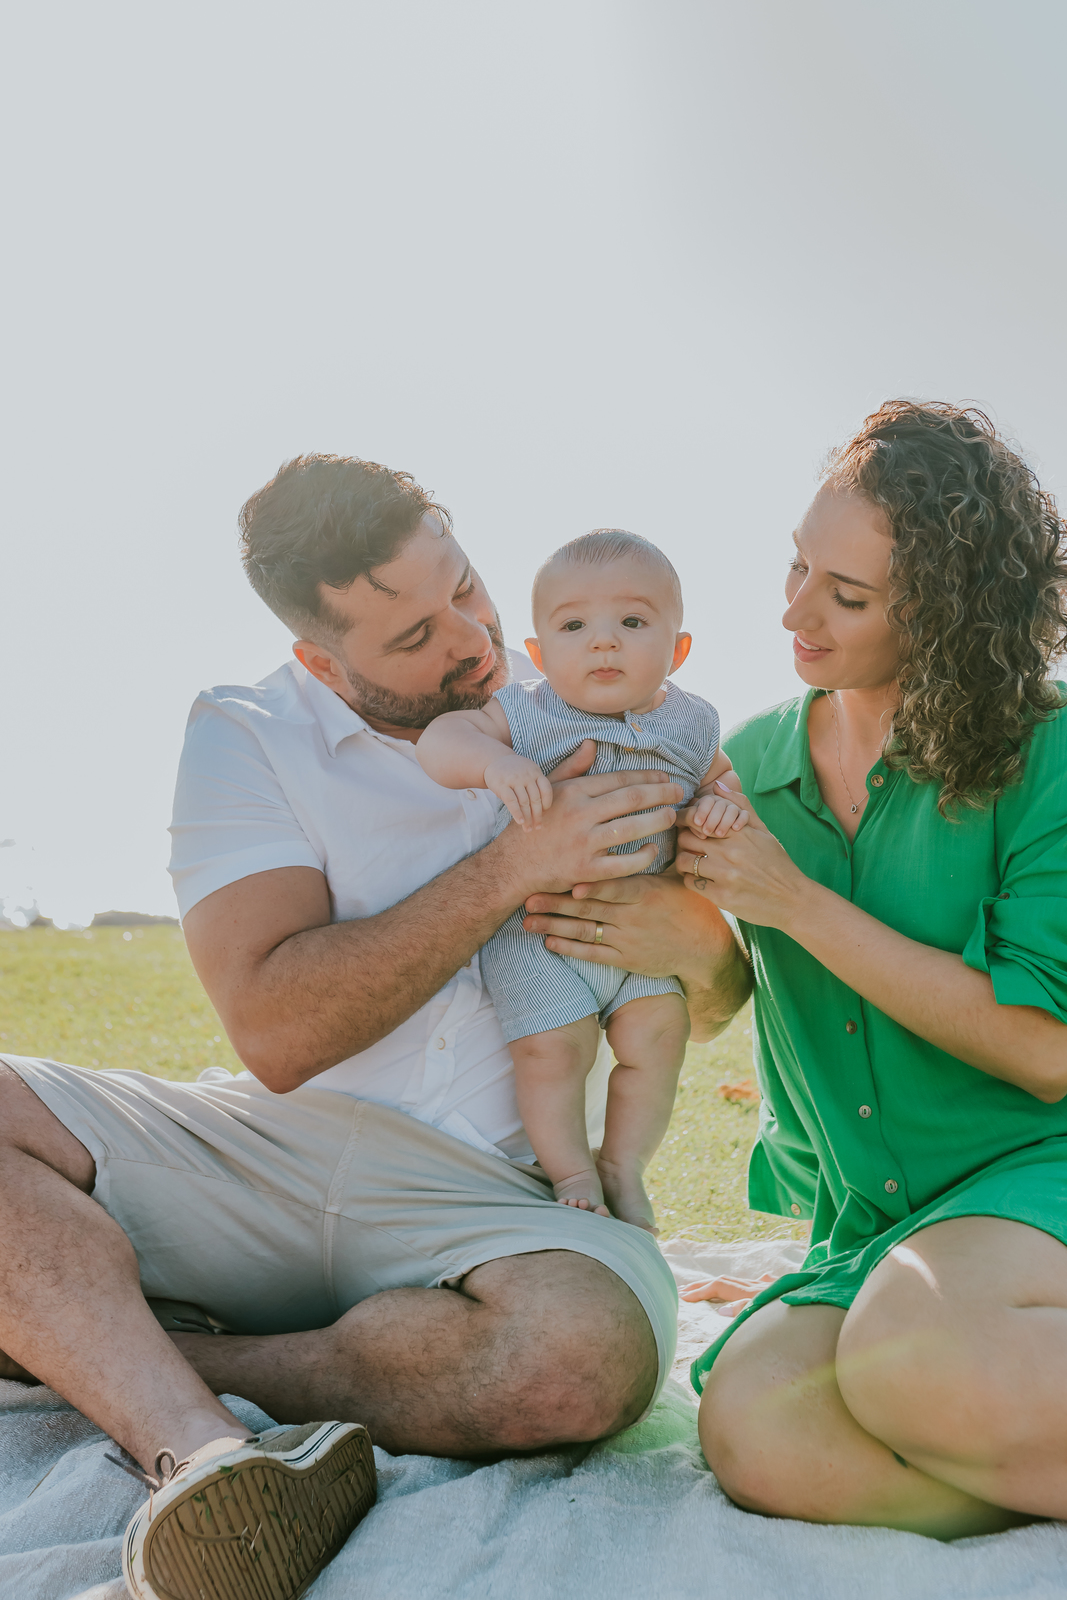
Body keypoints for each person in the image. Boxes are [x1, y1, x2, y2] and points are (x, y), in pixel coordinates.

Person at [0, 454, 751, 1600]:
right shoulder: (247, 731)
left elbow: (715, 999)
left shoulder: (604, 696)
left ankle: (106, 1350)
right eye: (412, 638)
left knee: (577, 1361)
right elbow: (277, 1028)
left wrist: (688, 940)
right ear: (320, 657)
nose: (470, 637)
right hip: (267, 1144)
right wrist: (516, 868)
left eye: (464, 584)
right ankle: (200, 1455)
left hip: (501, 1197)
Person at [672, 401, 1067, 1539]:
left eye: (846, 597)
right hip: (886, 1221)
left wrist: (794, 903)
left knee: (910, 1349)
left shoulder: (1051, 740)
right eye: (799, 566)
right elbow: (715, 989)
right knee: (760, 1424)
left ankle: (1033, 1401)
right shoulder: (743, 768)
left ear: (949, 618)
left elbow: (1049, 1049)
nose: (794, 612)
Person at [416, 527, 749, 1232]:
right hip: (540, 935)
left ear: (677, 649)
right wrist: (494, 763)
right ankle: (571, 1171)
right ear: (537, 654)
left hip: (640, 939)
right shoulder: (529, 713)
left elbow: (725, 780)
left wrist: (725, 804)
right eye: (574, 626)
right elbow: (440, 742)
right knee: (551, 1051)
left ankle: (623, 1168)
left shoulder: (692, 724)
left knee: (659, 1040)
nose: (603, 642)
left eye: (631, 622)